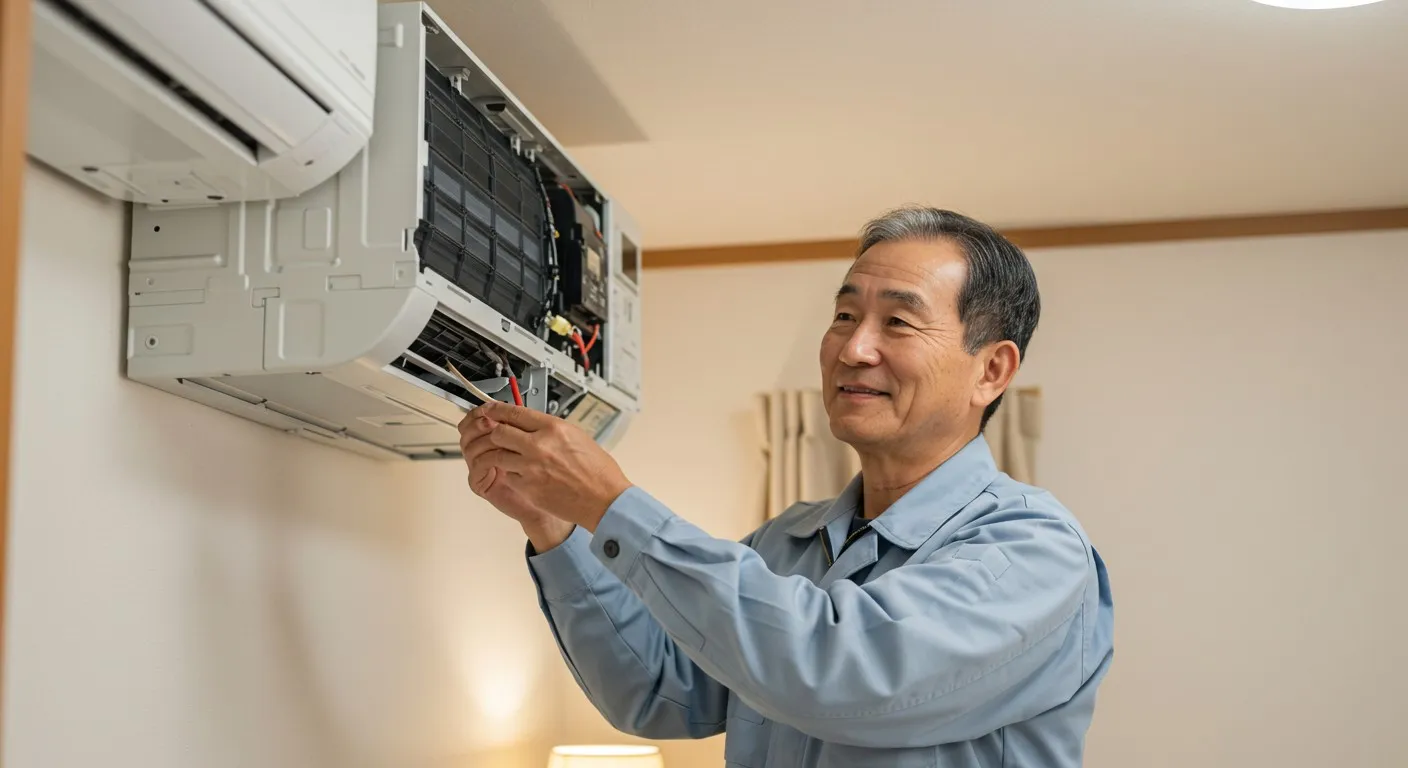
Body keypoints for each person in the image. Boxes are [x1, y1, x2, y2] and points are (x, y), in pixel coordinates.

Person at [458, 206, 1115, 766]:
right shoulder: (789, 540)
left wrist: (611, 505)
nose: (853, 348)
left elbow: (842, 674)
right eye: (844, 316)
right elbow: (659, 689)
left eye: (898, 323)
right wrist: (555, 526)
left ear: (992, 370)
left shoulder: (1034, 550)